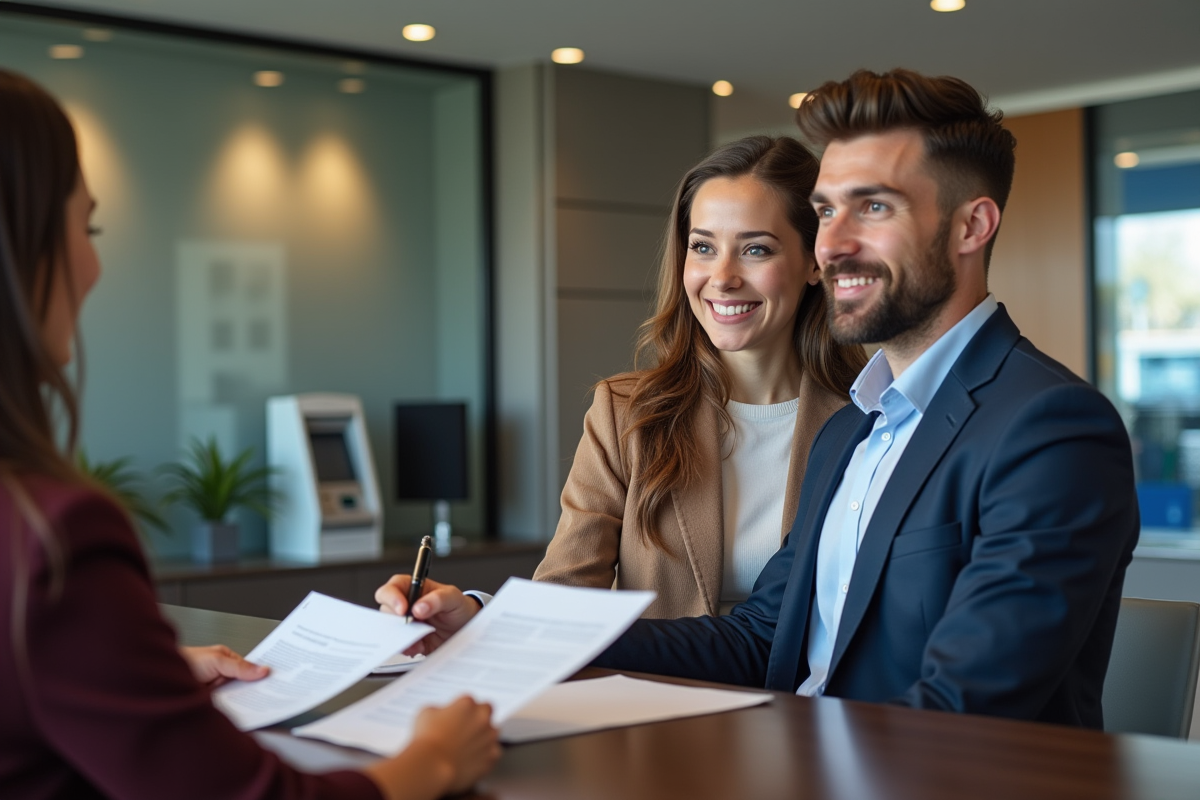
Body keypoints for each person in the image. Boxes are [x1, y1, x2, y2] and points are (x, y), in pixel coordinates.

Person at [375, 69, 1140, 728]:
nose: (834, 242)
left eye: (873, 207)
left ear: (973, 225)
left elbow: (964, 713)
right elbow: (756, 639)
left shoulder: (1049, 427)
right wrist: (484, 617)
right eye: (826, 211)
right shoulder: (864, 430)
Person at [0, 69, 499, 800]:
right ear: (24, 248)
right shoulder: (55, 536)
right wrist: (433, 760)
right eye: (87, 226)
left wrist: (135, 676)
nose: (95, 264)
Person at [531, 137, 866, 618]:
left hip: (809, 695)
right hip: (661, 692)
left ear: (815, 261)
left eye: (755, 249)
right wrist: (475, 612)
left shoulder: (871, 422)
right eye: (703, 247)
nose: (723, 276)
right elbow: (562, 595)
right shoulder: (625, 413)